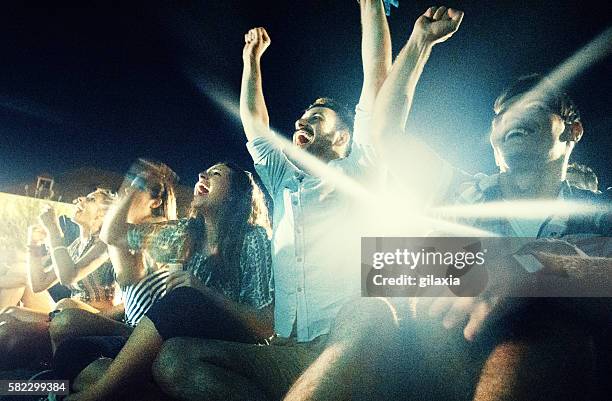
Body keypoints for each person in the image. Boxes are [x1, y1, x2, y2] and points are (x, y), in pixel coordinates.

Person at [151, 2, 393, 400]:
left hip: (346, 346)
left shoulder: (359, 172)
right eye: (302, 117)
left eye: (316, 118)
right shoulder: (284, 183)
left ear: (342, 139)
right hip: (289, 352)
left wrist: (371, 9)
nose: (302, 122)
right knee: (175, 360)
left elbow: (377, 84)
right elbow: (254, 123)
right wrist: (251, 61)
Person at [59, 162, 273, 401]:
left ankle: (97, 395)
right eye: (204, 171)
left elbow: (265, 326)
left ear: (235, 195)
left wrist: (203, 292)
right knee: (73, 352)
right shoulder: (186, 233)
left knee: (185, 298)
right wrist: (135, 183)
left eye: (216, 173)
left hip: (223, 344)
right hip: (171, 339)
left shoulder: (252, 238)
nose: (202, 174)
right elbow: (113, 235)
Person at [48, 161, 179, 352]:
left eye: (139, 188)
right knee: (63, 318)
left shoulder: (160, 228)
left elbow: (110, 236)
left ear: (156, 202)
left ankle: (55, 375)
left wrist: (52, 230)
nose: (126, 193)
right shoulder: (128, 236)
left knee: (66, 320)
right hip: (131, 324)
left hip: (148, 333)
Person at [0, 188, 117, 370]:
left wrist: (54, 231)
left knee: (8, 324)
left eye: (90, 199)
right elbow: (39, 284)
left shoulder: (106, 245)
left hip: (92, 316)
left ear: (103, 215)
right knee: (9, 310)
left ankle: (49, 381)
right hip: (63, 311)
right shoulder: (75, 246)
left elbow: (68, 276)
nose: (79, 198)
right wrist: (34, 244)